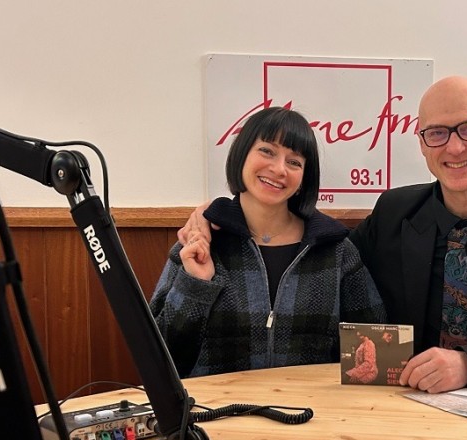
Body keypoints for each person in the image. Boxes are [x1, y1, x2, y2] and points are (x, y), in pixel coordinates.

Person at [178, 76, 467, 392]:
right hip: (404, 403)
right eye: (437, 133)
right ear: (422, 143)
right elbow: (318, 252)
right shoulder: (395, 214)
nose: (455, 147)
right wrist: (220, 215)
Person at [151, 106, 386, 378]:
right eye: (267, 151)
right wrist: (196, 284)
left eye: (294, 162)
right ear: (242, 155)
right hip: (215, 404)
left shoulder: (335, 250)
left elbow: (378, 351)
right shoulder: (200, 243)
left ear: (304, 178)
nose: (278, 169)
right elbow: (158, 359)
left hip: (310, 403)